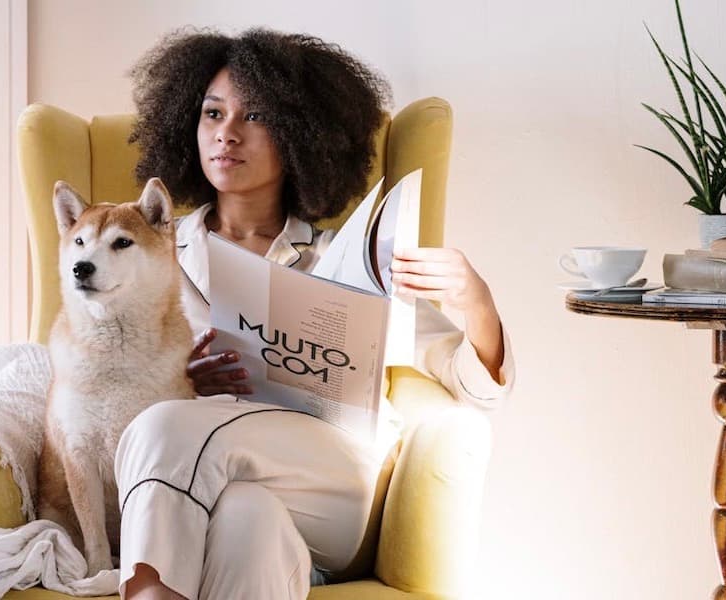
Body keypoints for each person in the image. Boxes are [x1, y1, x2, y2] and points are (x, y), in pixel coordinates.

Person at [115, 28, 515, 600]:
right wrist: (175, 379)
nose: (226, 133)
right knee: (247, 521)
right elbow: (99, 380)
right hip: (214, 488)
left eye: (254, 116)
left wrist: (477, 301)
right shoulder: (145, 256)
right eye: (212, 113)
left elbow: (478, 387)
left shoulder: (346, 258)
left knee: (165, 426)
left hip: (332, 485)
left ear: (302, 136)